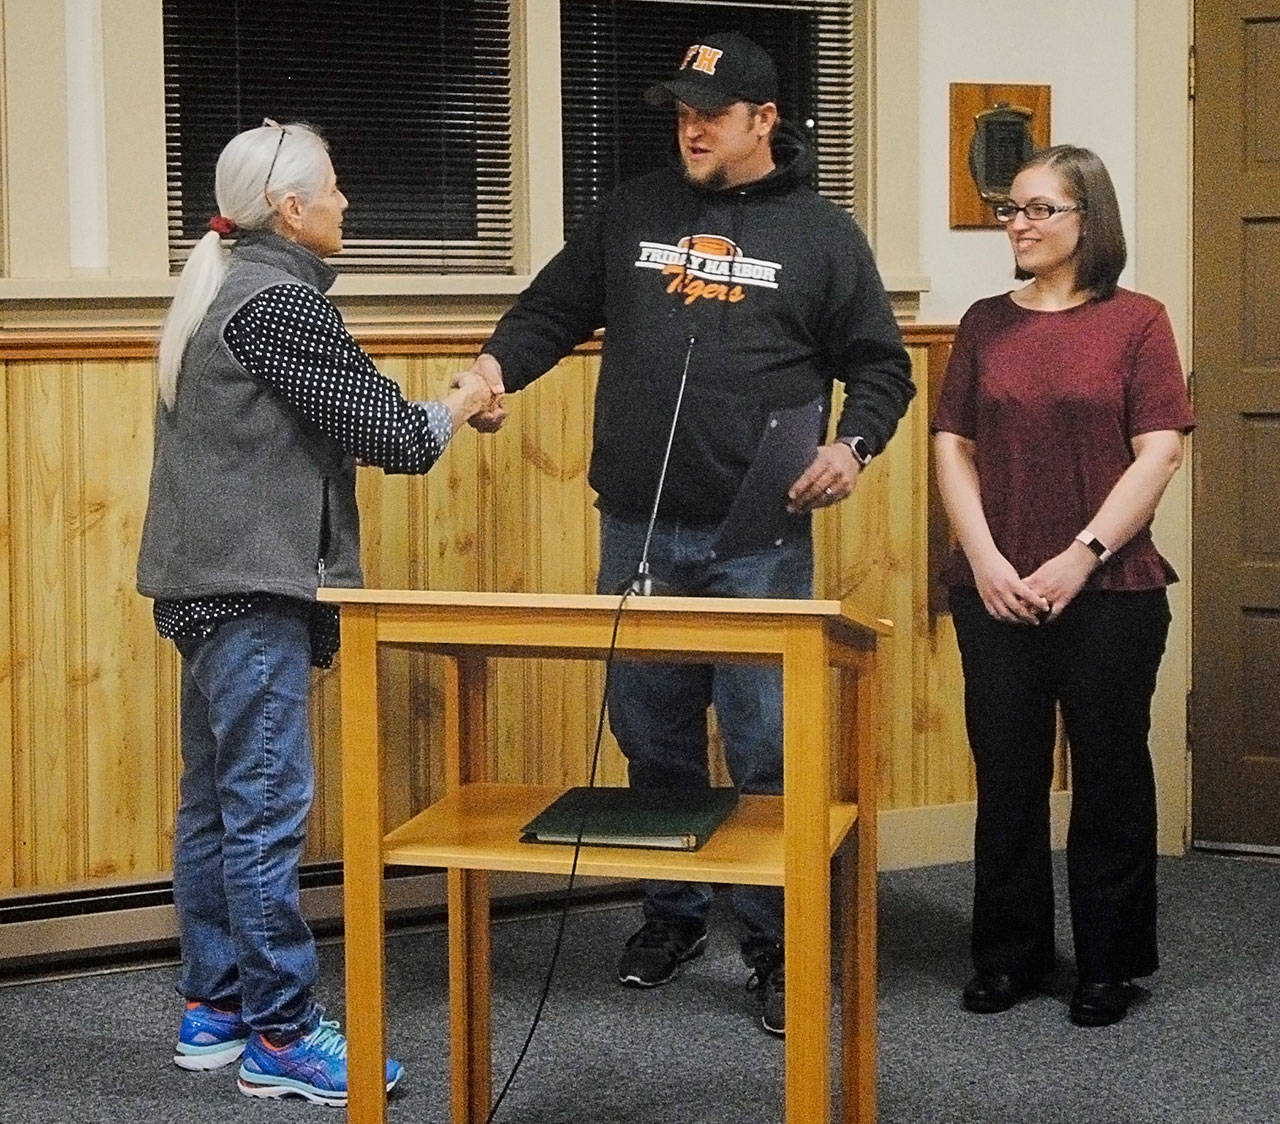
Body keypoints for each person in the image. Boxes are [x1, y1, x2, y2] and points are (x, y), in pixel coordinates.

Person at [457, 32, 914, 1037]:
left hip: (761, 537)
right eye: (680, 112)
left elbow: (882, 367)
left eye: (711, 112)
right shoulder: (629, 213)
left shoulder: (823, 236)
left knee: (764, 750)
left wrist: (853, 446)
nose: (691, 128)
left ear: (764, 120)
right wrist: (493, 370)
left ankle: (776, 944)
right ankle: (670, 914)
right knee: (652, 736)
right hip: (638, 531)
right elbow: (548, 310)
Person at [137, 120, 493, 1103]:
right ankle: (281, 1035)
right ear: (290, 210)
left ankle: (217, 1005)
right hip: (251, 593)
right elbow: (390, 432)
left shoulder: (224, 286)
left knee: (214, 805)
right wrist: (463, 396)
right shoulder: (279, 304)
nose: (346, 204)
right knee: (262, 815)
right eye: (333, 190)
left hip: (207, 588)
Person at [931, 145, 1195, 1028]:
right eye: (1013, 209)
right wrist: (985, 560)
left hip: (1111, 590)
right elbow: (952, 446)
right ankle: (1009, 958)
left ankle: (1109, 963)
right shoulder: (982, 324)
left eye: (1041, 209)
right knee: (1006, 777)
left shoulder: (1139, 322)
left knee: (1112, 775)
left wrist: (1080, 555)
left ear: (1089, 221)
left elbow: (1160, 448)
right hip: (997, 592)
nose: (1019, 223)